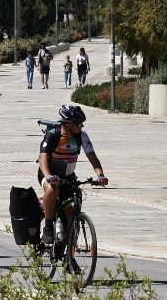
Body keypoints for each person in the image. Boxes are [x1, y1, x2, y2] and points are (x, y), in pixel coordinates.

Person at [37, 105, 108, 245]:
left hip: (68, 177)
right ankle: (48, 227)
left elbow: (92, 156)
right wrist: (48, 175)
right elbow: (42, 158)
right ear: (69, 125)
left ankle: (70, 256)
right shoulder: (53, 134)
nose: (82, 126)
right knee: (52, 189)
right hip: (49, 174)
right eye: (79, 124)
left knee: (73, 217)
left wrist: (100, 175)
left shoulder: (82, 135)